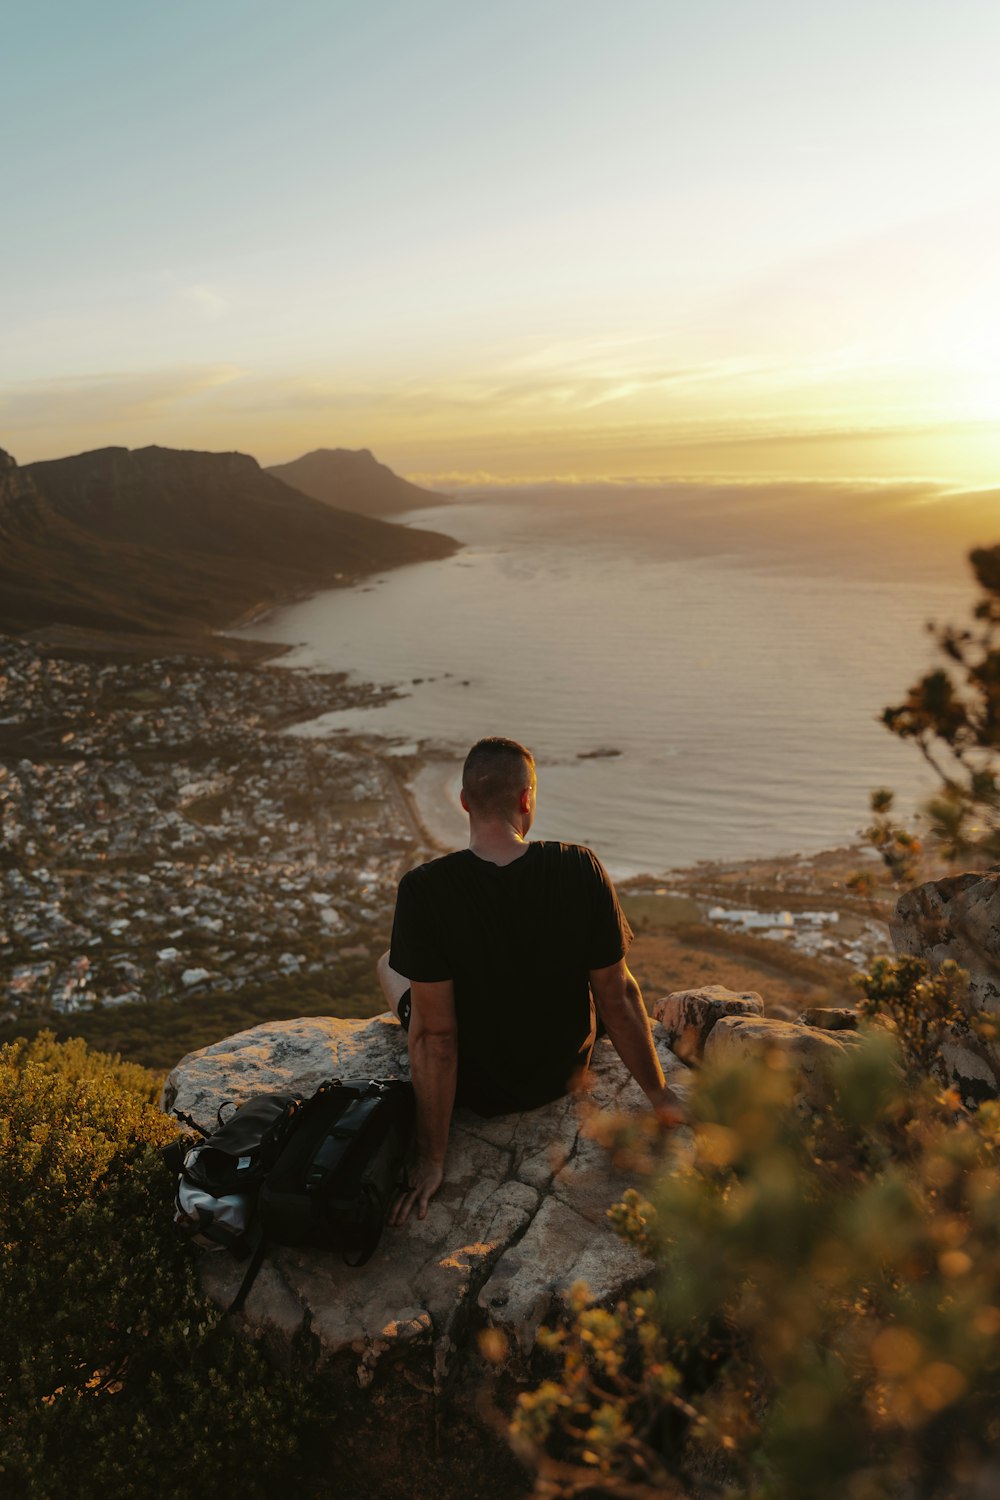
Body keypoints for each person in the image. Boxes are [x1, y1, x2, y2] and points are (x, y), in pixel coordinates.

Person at [377, 735, 684, 1226]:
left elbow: (437, 1037)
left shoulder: (425, 890)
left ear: (463, 803)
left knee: (390, 961)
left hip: (478, 1091)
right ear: (526, 800)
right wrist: (662, 1097)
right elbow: (619, 996)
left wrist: (431, 1157)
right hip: (564, 1072)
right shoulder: (579, 866)